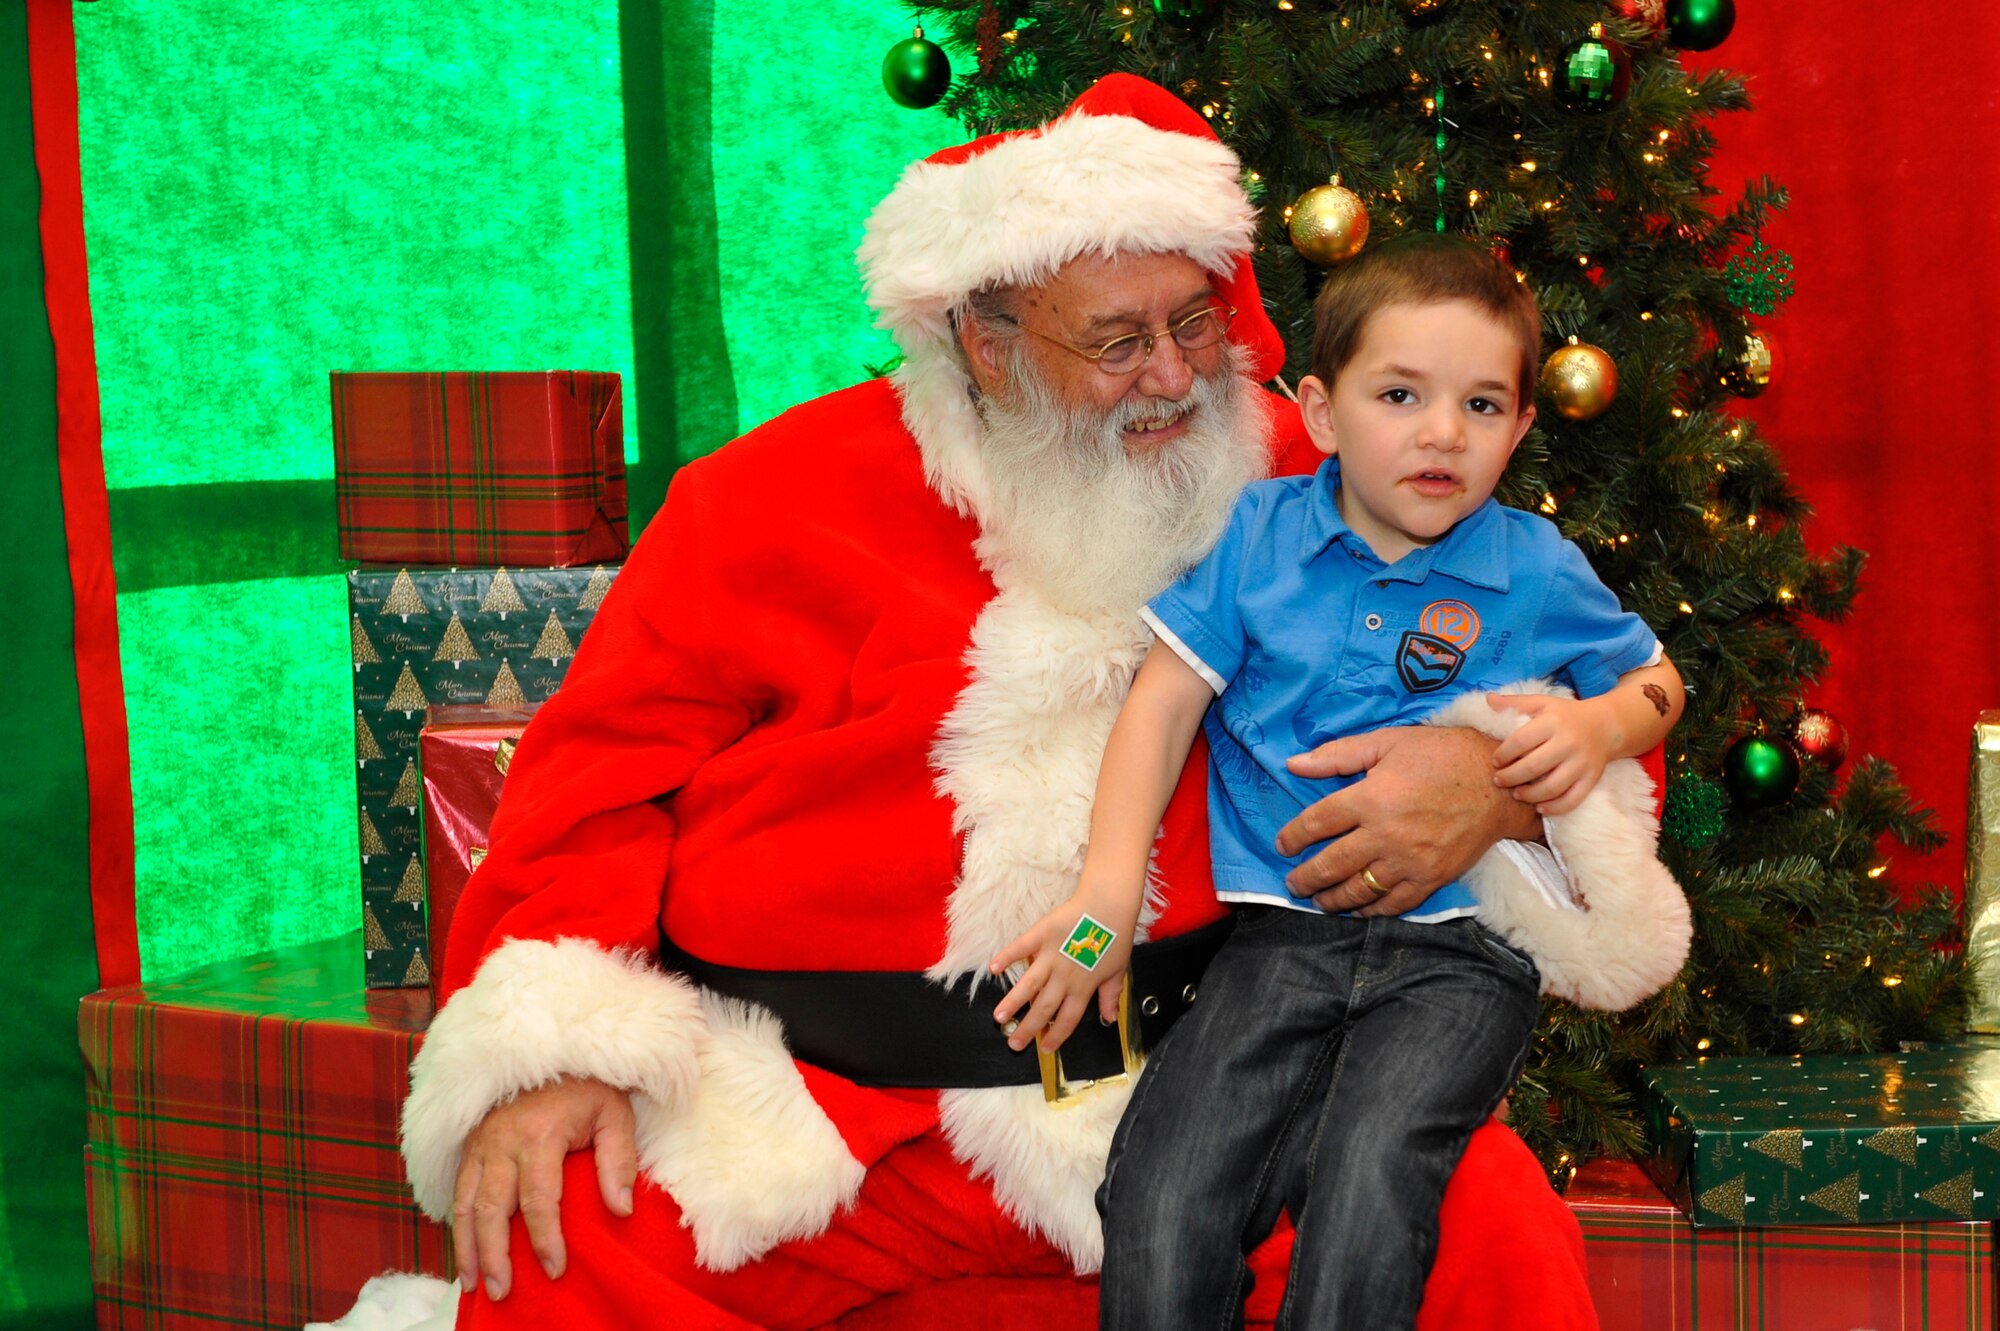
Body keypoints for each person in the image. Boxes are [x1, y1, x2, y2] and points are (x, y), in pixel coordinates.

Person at [326, 75, 1641, 1331]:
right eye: (1116, 340)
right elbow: (594, 779)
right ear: (981, 341)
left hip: (1203, 1073)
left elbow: (1553, 661)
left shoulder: (1311, 481)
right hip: (808, 1101)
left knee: (1486, 1221)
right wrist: (558, 1043)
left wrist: (1488, 774)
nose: (1178, 376)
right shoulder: (764, 500)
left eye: (1195, 319)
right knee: (566, 1229)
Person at [989, 234, 1691, 1329]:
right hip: (1279, 942)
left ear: (1517, 427)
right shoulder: (1256, 536)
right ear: (1318, 411)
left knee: (1373, 1172)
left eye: (1482, 405)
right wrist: (1101, 902)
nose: (1440, 434)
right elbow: (1160, 705)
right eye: (1400, 393)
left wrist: (1600, 721)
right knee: (1162, 1188)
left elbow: (1657, 684)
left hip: (1461, 956)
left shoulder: (1534, 565)